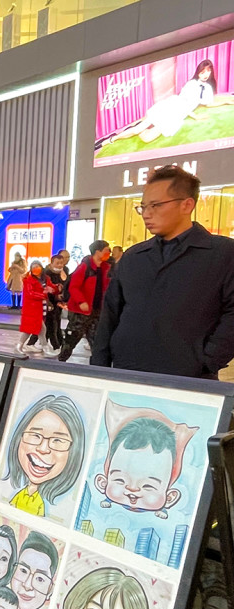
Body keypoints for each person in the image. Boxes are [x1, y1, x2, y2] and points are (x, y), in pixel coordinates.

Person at [93, 166, 234, 378]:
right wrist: (99, 366)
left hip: (187, 378)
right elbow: (110, 315)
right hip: (126, 371)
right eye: (142, 207)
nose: (146, 214)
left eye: (156, 206)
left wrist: (208, 359)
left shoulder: (222, 253)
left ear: (187, 205)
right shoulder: (133, 257)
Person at [97, 60, 234, 149]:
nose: (205, 75)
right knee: (139, 130)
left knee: (147, 137)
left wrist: (228, 101)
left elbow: (208, 103)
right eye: (202, 72)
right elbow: (185, 103)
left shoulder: (207, 88)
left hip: (178, 115)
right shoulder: (191, 84)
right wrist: (195, 117)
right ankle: (112, 139)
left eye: (208, 72)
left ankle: (141, 126)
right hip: (173, 107)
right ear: (198, 72)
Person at [3, 394, 86, 518]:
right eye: (35, 435)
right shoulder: (20, 494)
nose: (43, 449)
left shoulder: (45, 505)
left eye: (57, 440)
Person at [58, 240, 111, 362]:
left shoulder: (106, 268)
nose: (109, 253)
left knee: (97, 341)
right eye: (106, 250)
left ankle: (98, 365)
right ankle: (61, 362)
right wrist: (82, 302)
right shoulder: (84, 267)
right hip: (80, 312)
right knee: (72, 339)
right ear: (98, 252)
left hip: (97, 310)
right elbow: (74, 287)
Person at [17, 261, 50, 355]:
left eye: (37, 266)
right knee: (40, 328)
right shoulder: (28, 280)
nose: (36, 269)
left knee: (35, 329)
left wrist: (55, 288)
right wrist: (43, 294)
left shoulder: (45, 279)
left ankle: (19, 346)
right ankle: (45, 348)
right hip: (32, 308)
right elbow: (30, 293)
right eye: (34, 267)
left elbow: (50, 287)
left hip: (40, 307)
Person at [43, 253, 68, 355]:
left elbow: (65, 283)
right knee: (51, 324)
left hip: (58, 303)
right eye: (57, 263)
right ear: (52, 262)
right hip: (49, 303)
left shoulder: (64, 272)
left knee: (52, 324)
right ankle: (56, 345)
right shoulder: (47, 274)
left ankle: (51, 344)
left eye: (61, 263)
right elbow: (46, 289)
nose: (59, 265)